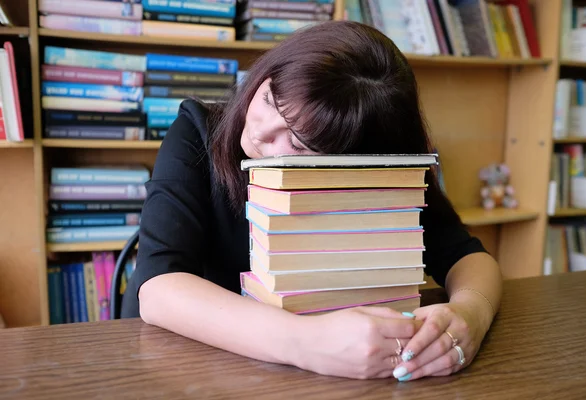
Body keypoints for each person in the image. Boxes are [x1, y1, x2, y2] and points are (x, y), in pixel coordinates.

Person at [121, 20, 503, 382]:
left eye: (298, 142)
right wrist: (306, 342)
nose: (260, 131)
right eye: (270, 99)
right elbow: (158, 288)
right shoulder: (197, 132)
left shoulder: (376, 167)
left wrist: (470, 314)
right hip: (194, 365)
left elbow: (465, 256)